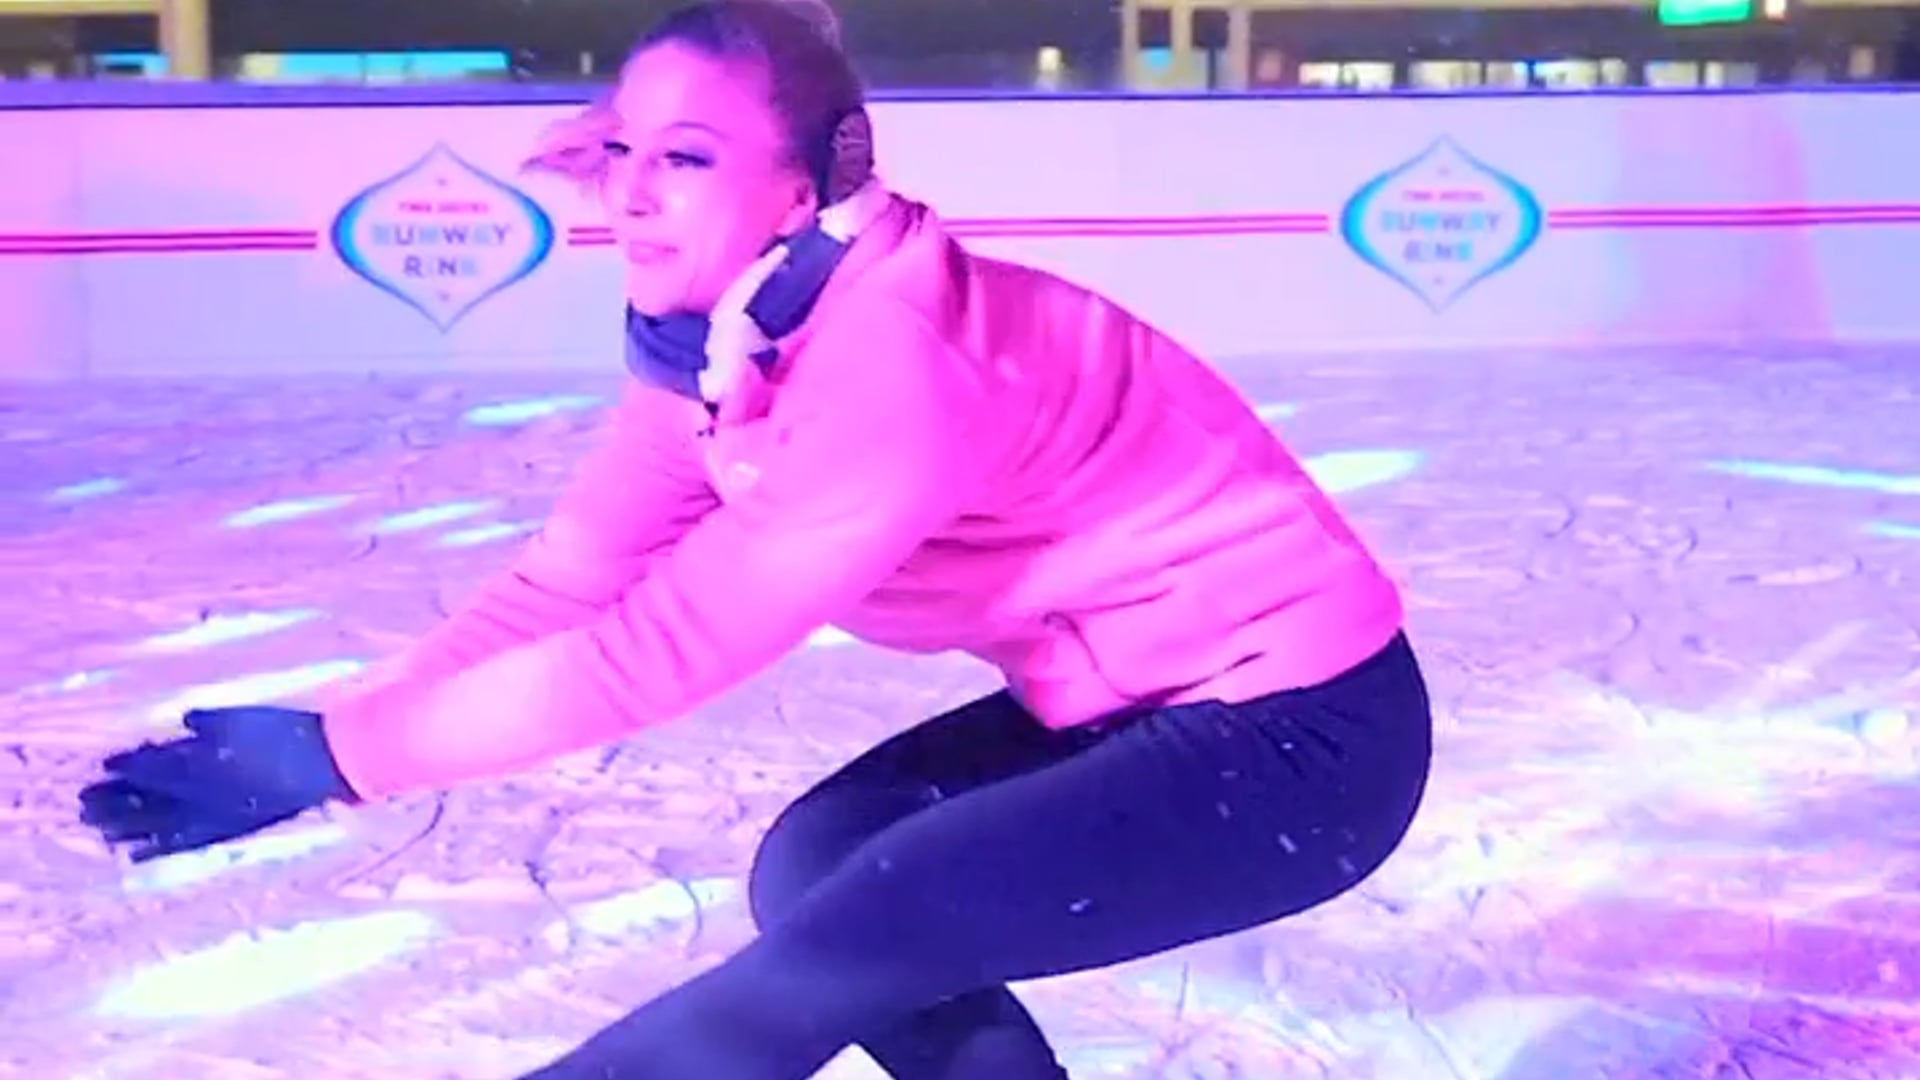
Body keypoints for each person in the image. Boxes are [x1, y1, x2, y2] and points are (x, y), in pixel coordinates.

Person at [77, 2, 1434, 1077]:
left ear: (799, 195)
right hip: (1131, 700)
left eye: (686, 160)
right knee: (819, 865)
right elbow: (575, 579)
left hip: (1302, 737)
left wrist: (342, 759)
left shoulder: (893, 360)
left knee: (866, 922)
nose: (631, 195)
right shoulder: (724, 346)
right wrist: (342, 738)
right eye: (621, 151)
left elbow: (653, 652)